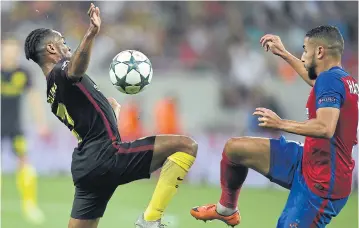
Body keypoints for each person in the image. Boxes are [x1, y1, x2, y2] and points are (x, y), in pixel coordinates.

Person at [24, 4, 197, 228]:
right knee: (186, 146)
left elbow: (89, 122)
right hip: (106, 156)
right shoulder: (62, 69)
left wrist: (111, 112)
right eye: (63, 43)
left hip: (86, 166)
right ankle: (151, 219)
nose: (67, 47)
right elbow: (75, 69)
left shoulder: (51, 92)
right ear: (50, 48)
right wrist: (90, 34)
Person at [190, 25, 358, 227]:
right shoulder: (340, 78)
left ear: (320, 51)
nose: (303, 57)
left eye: (305, 50)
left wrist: (280, 123)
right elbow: (313, 79)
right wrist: (284, 54)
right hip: (306, 162)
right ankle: (227, 210)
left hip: (323, 184)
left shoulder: (330, 80)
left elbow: (325, 128)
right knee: (235, 149)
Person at [1, 37, 49, 224]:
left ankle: (29, 205)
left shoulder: (23, 73)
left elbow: (34, 98)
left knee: (24, 163)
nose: (10, 53)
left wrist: (41, 123)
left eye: (13, 50)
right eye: (7, 50)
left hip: (15, 126)